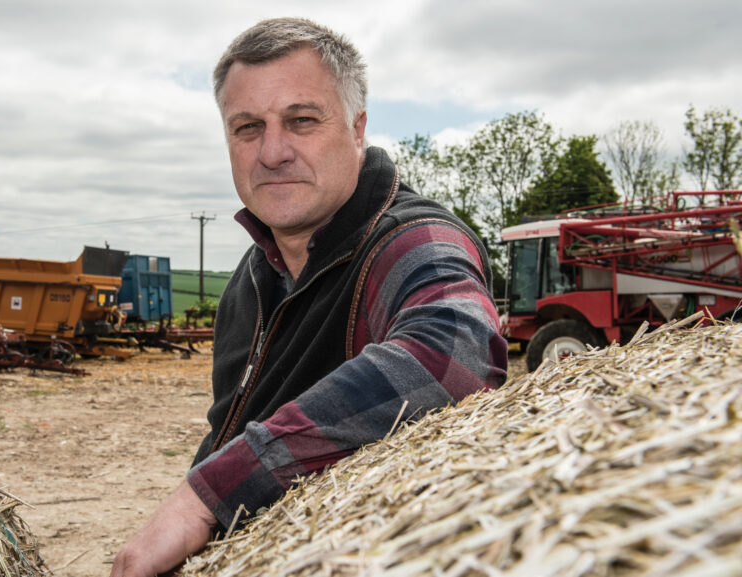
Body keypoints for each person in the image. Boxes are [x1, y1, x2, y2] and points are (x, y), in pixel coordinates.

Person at [110, 17, 507, 577]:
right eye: (247, 128)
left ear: (356, 127)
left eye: (301, 120)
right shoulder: (250, 279)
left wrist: (207, 494)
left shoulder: (410, 240)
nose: (272, 152)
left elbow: (453, 356)